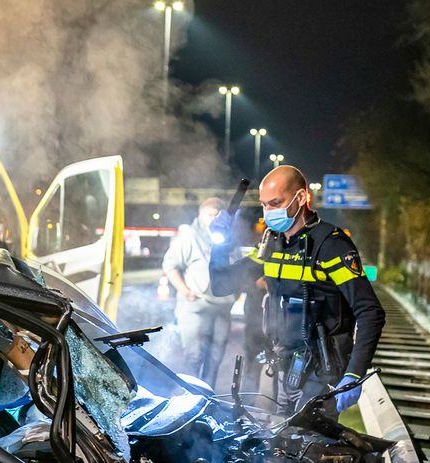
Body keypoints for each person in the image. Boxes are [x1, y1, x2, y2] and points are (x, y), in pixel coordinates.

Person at [209, 165, 385, 415]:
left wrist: (354, 374)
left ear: (301, 198)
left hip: (323, 371)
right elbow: (221, 285)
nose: (268, 212)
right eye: (264, 205)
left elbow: (370, 312)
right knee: (279, 448)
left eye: (275, 202)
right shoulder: (272, 245)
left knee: (308, 446)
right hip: (285, 368)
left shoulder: (331, 245)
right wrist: (219, 245)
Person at [163, 198, 236, 389]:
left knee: (215, 356)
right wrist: (185, 291)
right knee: (194, 355)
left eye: (216, 215)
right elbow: (170, 266)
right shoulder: (189, 237)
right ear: (200, 216)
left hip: (222, 306)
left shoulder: (229, 238)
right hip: (194, 306)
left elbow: (237, 266)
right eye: (209, 215)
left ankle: (207, 395)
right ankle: (191, 394)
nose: (213, 219)